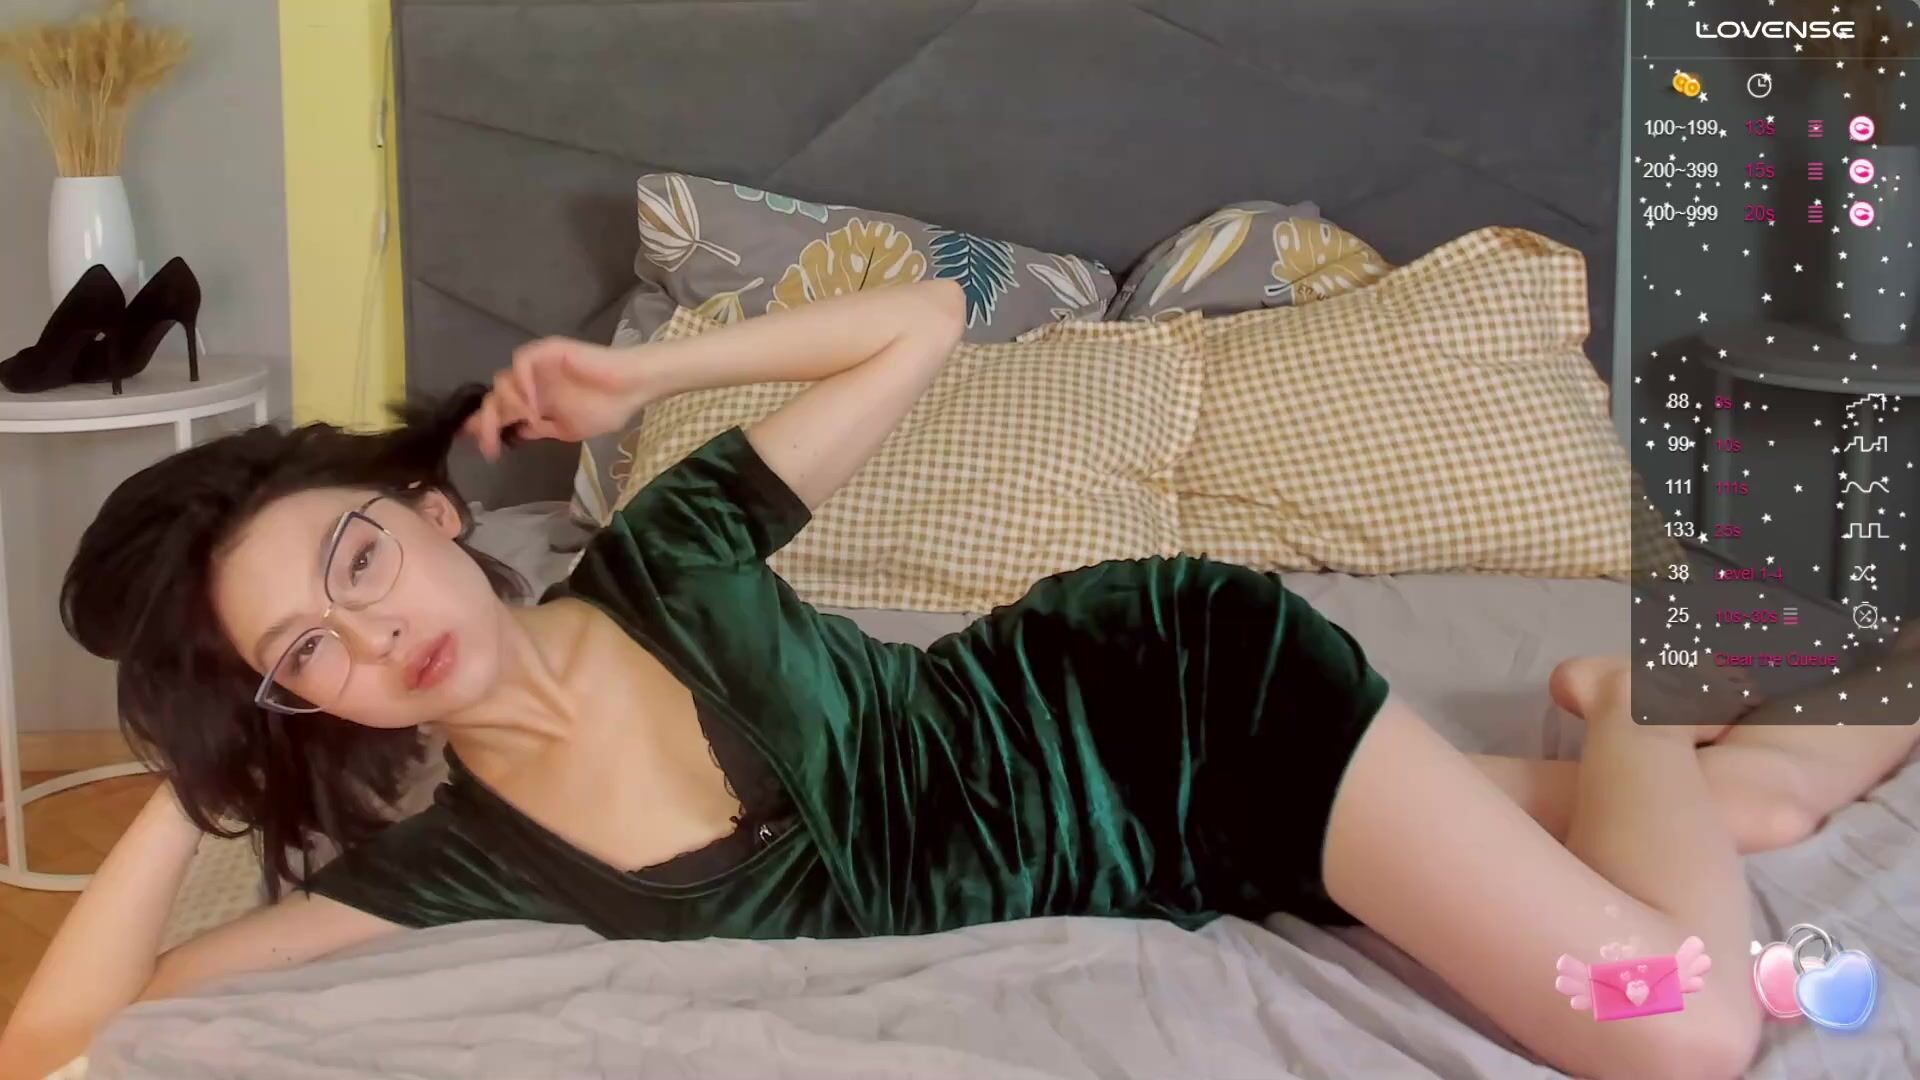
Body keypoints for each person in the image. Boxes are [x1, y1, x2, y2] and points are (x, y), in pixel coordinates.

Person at [1, 280, 1913, 1080]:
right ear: (305, 704)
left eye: (358, 561)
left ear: (430, 512)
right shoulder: (455, 864)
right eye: (307, 654)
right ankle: (1652, 713)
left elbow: (926, 320)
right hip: (1168, 859)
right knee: (1751, 816)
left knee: (1678, 1031)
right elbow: (55, 1043)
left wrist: (650, 374)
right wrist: (192, 779)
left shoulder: (666, 555)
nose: (370, 633)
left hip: (1171, 702)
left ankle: (1630, 693)